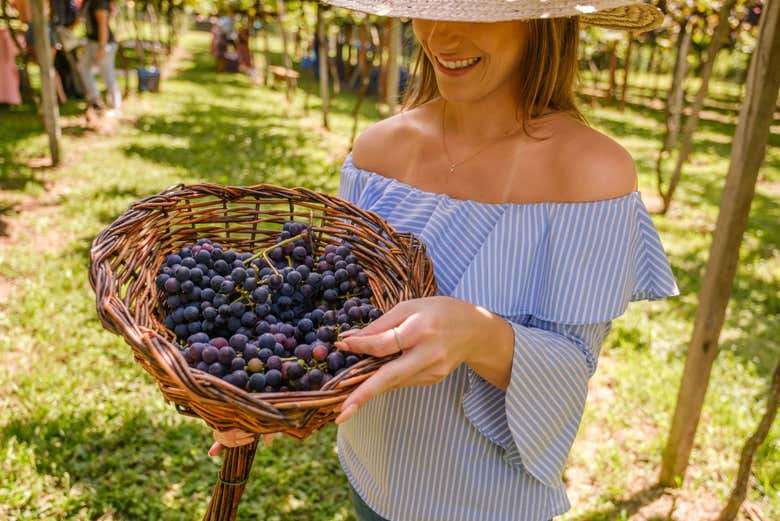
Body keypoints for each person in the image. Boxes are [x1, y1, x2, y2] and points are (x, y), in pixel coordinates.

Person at [209, 1, 680, 520]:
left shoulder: (592, 172)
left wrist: (476, 335)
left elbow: (570, 369)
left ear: (540, 21)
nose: (439, 35)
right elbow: (333, 315)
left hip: (482, 503)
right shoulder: (377, 153)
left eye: (474, 9)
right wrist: (270, 398)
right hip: (369, 475)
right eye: (426, 5)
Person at [78, 0, 121, 112]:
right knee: (83, 68)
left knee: (107, 74)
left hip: (103, 42)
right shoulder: (88, 2)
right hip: (91, 41)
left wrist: (102, 48)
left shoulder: (99, 2)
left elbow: (103, 25)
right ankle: (95, 99)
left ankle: (115, 105)